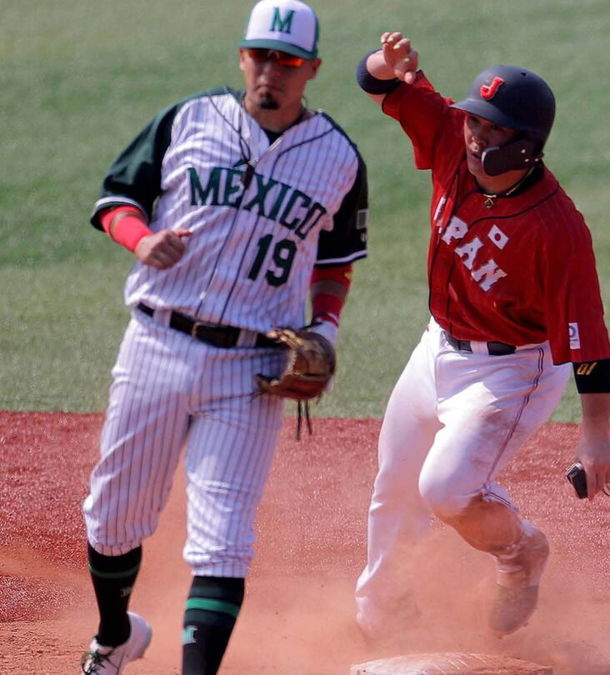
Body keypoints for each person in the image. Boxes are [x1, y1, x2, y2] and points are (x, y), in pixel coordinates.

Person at [79, 1, 368, 673]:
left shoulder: (337, 157)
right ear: (243, 58)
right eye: (262, 56)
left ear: (312, 70)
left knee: (224, 539)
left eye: (288, 62)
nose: (273, 71)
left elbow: (336, 259)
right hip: (156, 343)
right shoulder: (190, 120)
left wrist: (324, 328)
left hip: (253, 365)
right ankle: (116, 632)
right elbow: (114, 198)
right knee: (112, 516)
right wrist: (142, 238)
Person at [352, 32, 610, 639]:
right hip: (437, 345)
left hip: (512, 371)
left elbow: (589, 342)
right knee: (395, 486)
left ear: (527, 147)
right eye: (475, 121)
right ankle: (382, 618)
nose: (475, 137)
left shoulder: (557, 230)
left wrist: (596, 437)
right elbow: (373, 83)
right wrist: (389, 64)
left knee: (445, 491)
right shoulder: (453, 139)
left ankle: (520, 554)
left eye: (493, 130)